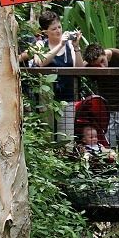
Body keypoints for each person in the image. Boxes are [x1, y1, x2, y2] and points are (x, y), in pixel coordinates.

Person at [83, 43, 119, 172]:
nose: (101, 67)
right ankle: (111, 177)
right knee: (108, 144)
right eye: (97, 65)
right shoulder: (89, 65)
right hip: (105, 108)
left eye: (102, 61)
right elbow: (82, 68)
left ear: (104, 53)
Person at [33, 10, 84, 140]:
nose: (58, 31)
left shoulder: (69, 47)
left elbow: (79, 68)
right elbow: (40, 62)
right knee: (47, 137)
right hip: (47, 98)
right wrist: (60, 44)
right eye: (54, 29)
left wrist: (76, 47)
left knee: (67, 139)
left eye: (59, 27)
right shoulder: (40, 44)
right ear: (45, 32)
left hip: (67, 97)